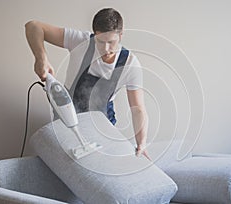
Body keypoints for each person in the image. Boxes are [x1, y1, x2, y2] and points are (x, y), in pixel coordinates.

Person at [25, 8, 150, 160]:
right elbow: (33, 26)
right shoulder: (81, 42)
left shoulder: (130, 64)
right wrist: (41, 58)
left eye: (111, 42)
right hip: (66, 121)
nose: (105, 49)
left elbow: (137, 109)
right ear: (94, 34)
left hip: (102, 126)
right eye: (100, 42)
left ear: (121, 35)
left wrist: (141, 143)